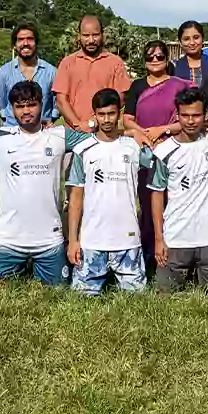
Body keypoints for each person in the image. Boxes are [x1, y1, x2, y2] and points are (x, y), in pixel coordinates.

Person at [0, 81, 94, 286]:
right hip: (8, 239)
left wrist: (129, 133)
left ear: (42, 105)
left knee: (57, 293)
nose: (26, 111)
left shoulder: (59, 136)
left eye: (31, 105)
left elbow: (95, 139)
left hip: (49, 240)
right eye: (20, 106)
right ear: (12, 109)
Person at [66, 88, 154, 295]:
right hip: (91, 241)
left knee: (137, 301)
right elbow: (76, 198)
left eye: (111, 113)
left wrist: (135, 133)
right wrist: (73, 240)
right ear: (94, 115)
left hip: (127, 240)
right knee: (81, 301)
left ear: (119, 114)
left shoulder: (134, 147)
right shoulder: (83, 150)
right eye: (101, 114)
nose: (106, 119)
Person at [149, 88, 208, 295]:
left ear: (206, 116)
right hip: (176, 236)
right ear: (177, 116)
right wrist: (159, 239)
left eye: (196, 115)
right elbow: (157, 194)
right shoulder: (163, 151)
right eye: (185, 115)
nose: (190, 121)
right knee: (164, 298)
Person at [124, 40, 191, 269]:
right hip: (146, 153)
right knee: (148, 205)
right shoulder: (137, 86)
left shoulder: (180, 86)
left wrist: (162, 130)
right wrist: (141, 134)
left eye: (160, 56)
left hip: (174, 150)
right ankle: (150, 260)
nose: (155, 60)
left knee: (174, 206)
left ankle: (177, 261)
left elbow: (188, 119)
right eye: (150, 56)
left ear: (167, 59)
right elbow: (127, 120)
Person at [52, 15, 131, 133]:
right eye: (86, 35)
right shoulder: (67, 63)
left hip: (105, 133)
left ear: (102, 34)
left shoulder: (115, 62)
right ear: (79, 36)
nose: (91, 40)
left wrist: (94, 121)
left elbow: (121, 98)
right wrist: (78, 125)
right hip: (73, 133)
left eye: (95, 35)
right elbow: (61, 100)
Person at [0, 22, 58, 126]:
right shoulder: (3, 73)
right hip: (13, 133)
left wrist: (50, 120)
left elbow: (56, 105)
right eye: (20, 40)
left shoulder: (51, 72)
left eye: (30, 39)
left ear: (36, 42)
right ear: (14, 45)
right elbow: (2, 107)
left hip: (43, 133)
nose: (25, 43)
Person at [173, 20, 208, 86]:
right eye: (186, 39)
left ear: (203, 39)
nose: (192, 43)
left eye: (196, 38)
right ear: (180, 43)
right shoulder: (173, 66)